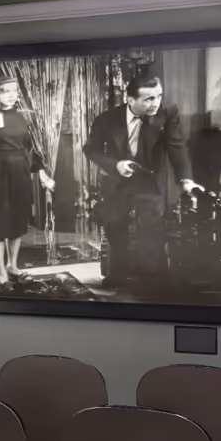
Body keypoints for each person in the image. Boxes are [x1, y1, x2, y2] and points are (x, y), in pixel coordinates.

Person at [82, 76, 200, 287]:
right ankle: (117, 274)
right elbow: (91, 150)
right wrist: (115, 165)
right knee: (115, 228)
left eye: (159, 96)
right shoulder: (106, 119)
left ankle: (152, 279)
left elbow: (176, 146)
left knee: (151, 229)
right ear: (130, 99)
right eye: (148, 99)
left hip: (149, 180)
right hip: (116, 181)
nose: (155, 103)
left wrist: (186, 179)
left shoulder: (167, 113)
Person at [0, 76, 56, 283]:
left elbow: (34, 150)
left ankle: (13, 265)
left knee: (17, 220)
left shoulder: (27, 117)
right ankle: (0, 271)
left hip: (20, 170)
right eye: (6, 91)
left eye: (15, 91)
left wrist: (42, 174)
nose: (12, 94)